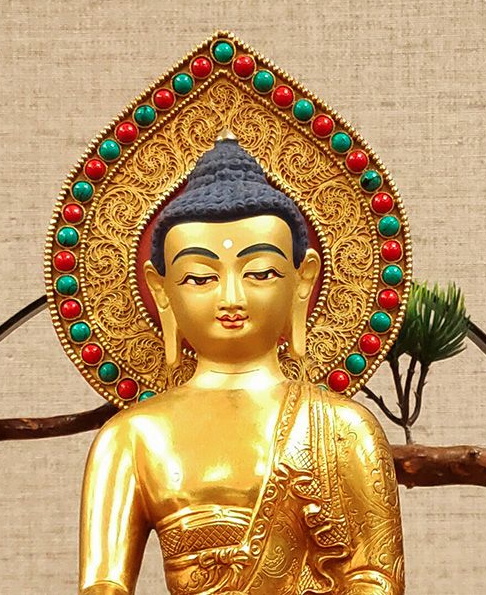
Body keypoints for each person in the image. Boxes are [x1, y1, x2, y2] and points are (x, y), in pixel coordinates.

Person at [78, 134, 405, 594]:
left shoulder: (343, 428)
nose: (231, 297)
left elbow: (377, 575)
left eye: (260, 273)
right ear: (160, 291)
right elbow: (103, 584)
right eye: (200, 278)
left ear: (303, 281)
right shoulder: (131, 437)